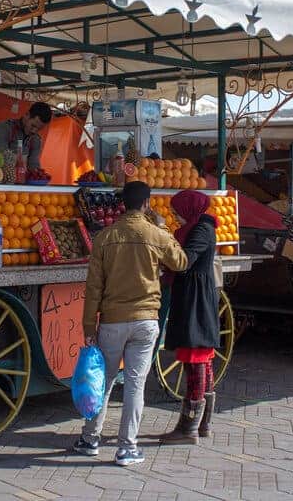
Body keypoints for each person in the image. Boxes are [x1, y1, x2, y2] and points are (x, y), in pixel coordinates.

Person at [74, 181, 188, 466]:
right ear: (147, 204)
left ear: (123, 204)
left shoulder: (105, 237)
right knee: (135, 386)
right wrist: (162, 228)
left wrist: (89, 327)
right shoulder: (155, 234)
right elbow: (181, 262)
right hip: (146, 321)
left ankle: (90, 439)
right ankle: (127, 448)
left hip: (112, 322)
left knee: (105, 381)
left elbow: (94, 288)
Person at [158, 190, 220, 444]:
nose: (175, 216)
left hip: (196, 299)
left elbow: (185, 260)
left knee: (196, 357)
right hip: (194, 295)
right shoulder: (197, 228)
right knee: (201, 358)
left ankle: (188, 428)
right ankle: (201, 424)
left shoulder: (200, 231)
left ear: (189, 209)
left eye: (177, 212)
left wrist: (164, 239)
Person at [0, 102, 52, 170]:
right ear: (27, 115)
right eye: (33, 126)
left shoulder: (35, 139)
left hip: (22, 179)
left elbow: (33, 165)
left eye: (39, 129)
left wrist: (38, 175)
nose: (34, 131)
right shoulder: (4, 128)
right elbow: (0, 156)